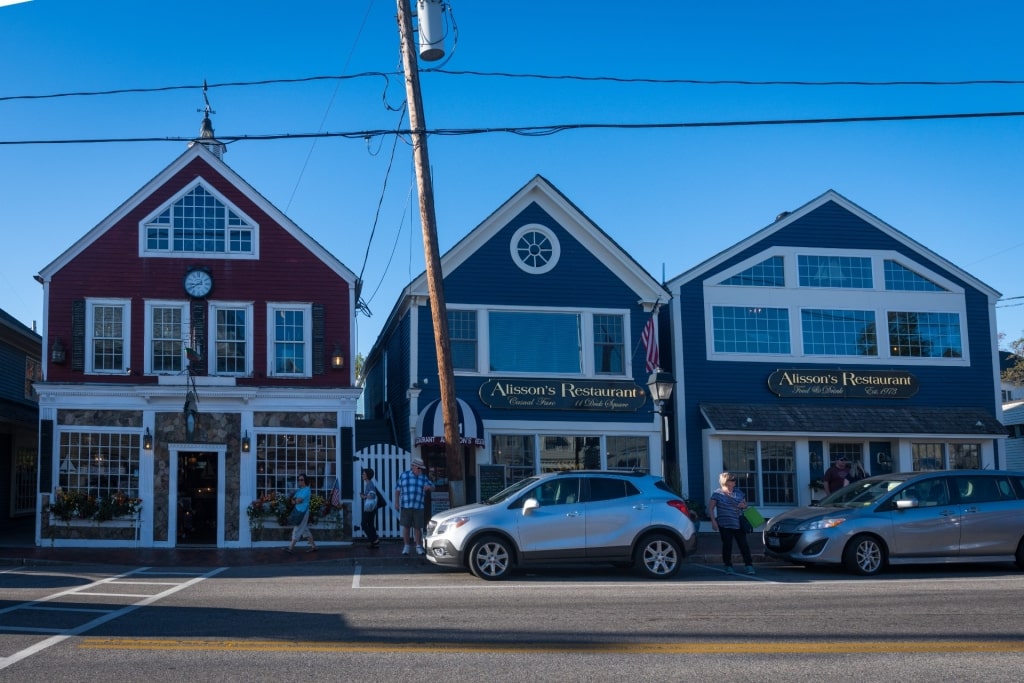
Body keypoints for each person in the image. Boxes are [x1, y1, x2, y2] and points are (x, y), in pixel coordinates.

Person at [708, 471, 755, 575]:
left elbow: (745, 504)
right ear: (726, 481)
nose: (734, 482)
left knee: (743, 544)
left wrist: (743, 506)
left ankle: (749, 565)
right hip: (724, 524)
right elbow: (711, 508)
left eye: (734, 480)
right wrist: (713, 521)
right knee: (727, 545)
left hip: (738, 523)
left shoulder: (738, 492)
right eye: (732, 480)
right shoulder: (717, 494)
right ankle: (728, 565)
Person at [394, 457, 433, 555]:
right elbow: (397, 490)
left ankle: (418, 546)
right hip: (406, 505)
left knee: (418, 527)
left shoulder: (423, 477)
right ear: (413, 466)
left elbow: (433, 486)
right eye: (418, 468)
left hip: (418, 506)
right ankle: (406, 546)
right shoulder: (404, 475)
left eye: (421, 468)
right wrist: (396, 503)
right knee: (406, 527)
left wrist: (429, 487)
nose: (420, 470)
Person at [285, 474, 317, 554]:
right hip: (298, 511)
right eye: (299, 479)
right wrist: (295, 501)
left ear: (305, 480)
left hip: (303, 512)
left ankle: (291, 548)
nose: (300, 481)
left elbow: (299, 500)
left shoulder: (307, 489)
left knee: (297, 529)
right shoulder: (299, 490)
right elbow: (294, 499)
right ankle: (314, 547)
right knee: (305, 530)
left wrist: (295, 501)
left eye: (302, 479)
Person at [360, 467, 381, 549]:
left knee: (364, 524)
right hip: (373, 508)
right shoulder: (369, 483)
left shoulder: (369, 484)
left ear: (367, 475)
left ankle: (374, 540)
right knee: (371, 525)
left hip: (370, 509)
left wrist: (364, 496)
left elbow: (372, 495)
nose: (362, 475)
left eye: (364, 474)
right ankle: (374, 542)